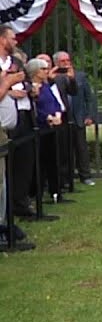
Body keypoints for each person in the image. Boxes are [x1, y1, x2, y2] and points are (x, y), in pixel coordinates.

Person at [0, 25, 36, 217]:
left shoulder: (15, 62)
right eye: (12, 38)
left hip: (22, 115)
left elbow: (28, 80)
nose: (15, 42)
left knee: (24, 162)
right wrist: (8, 88)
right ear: (2, 40)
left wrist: (28, 89)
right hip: (3, 121)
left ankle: (19, 203)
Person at [28, 57, 68, 204]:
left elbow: (55, 103)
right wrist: (48, 117)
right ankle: (35, 194)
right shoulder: (33, 88)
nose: (47, 71)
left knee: (53, 161)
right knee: (40, 163)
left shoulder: (46, 87)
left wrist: (57, 114)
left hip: (52, 128)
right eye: (43, 69)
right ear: (35, 71)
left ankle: (55, 192)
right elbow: (35, 108)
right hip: (41, 129)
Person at [54, 51, 96, 186]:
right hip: (63, 118)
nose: (66, 63)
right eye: (63, 61)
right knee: (64, 149)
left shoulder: (80, 76)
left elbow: (88, 97)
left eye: (68, 60)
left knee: (81, 148)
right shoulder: (53, 77)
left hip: (78, 117)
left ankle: (85, 176)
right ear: (56, 63)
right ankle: (65, 178)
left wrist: (89, 115)